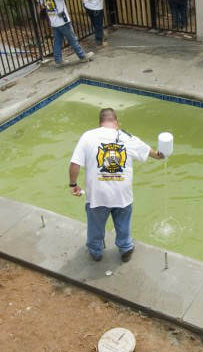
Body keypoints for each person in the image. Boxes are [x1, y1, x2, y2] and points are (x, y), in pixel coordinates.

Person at [69, 107, 164, 261]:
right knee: (123, 224)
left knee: (95, 226)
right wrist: (162, 153)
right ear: (116, 122)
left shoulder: (88, 136)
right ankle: (125, 249)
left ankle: (96, 252)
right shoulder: (127, 137)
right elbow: (154, 154)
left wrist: (73, 185)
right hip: (122, 194)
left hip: (97, 195)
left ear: (100, 122)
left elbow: (75, 163)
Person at [38, 0, 93, 67]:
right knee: (73, 39)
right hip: (63, 22)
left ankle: (58, 61)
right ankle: (83, 57)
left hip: (54, 22)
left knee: (57, 42)